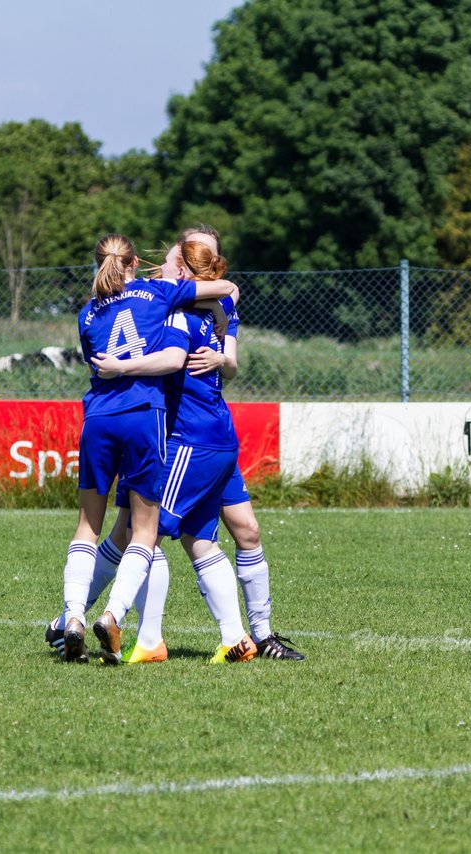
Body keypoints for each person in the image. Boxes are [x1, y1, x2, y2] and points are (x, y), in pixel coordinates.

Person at [48, 227, 304, 662]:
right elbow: (217, 303)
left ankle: (131, 632)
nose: (161, 269)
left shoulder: (175, 307)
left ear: (186, 271)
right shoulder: (175, 303)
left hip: (196, 436)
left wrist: (220, 356)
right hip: (192, 435)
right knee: (173, 536)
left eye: (170, 264)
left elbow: (221, 356)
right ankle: (222, 637)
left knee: (149, 534)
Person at [60, 233, 238, 665]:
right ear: (136, 261)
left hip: (97, 418)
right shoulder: (159, 292)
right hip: (144, 416)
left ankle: (71, 619)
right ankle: (113, 615)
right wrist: (217, 312)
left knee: (88, 527)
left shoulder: (87, 314)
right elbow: (227, 289)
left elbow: (94, 364)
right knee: (145, 531)